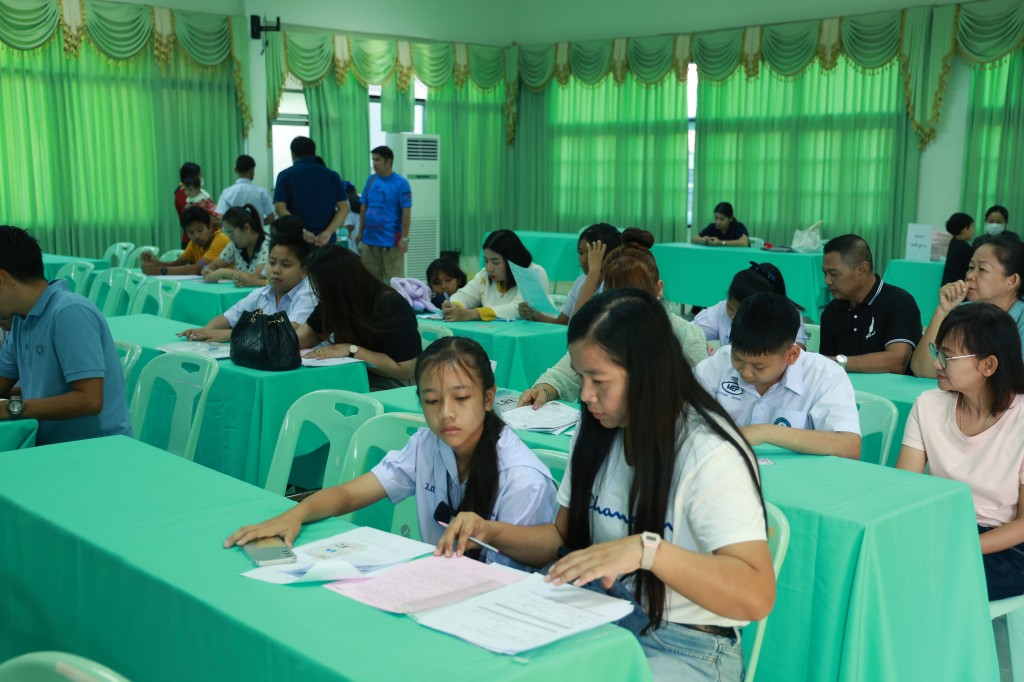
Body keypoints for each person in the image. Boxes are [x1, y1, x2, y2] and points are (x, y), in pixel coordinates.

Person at [436, 288, 775, 680]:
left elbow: (755, 594)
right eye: (581, 377)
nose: (585, 395)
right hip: (597, 615)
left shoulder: (710, 453)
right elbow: (562, 537)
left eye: (598, 380)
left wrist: (649, 551)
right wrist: (489, 531)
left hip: (686, 645)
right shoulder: (598, 429)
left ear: (648, 372)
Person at [225, 336, 558, 569]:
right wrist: (294, 515)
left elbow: (522, 570)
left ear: (488, 398)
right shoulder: (428, 444)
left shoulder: (521, 478)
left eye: (461, 398)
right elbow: (349, 495)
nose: (445, 413)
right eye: (431, 400)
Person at [897, 303, 1024, 601]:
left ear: (988, 365)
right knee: (879, 565)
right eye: (937, 352)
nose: (936, 363)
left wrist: (959, 545)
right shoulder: (928, 405)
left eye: (947, 357)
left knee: (926, 581)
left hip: (1003, 545)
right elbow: (902, 489)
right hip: (941, 527)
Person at [519, 228, 708, 408]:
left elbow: (699, 402)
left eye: (636, 295)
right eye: (616, 296)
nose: (626, 305)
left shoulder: (687, 335)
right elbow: (565, 374)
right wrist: (543, 390)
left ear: (658, 289)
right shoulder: (599, 330)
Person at [0, 226, 131, 445]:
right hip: (49, 444)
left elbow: (90, 400)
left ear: (2, 279)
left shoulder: (69, 312)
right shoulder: (23, 318)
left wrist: (11, 408)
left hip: (97, 448)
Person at [694, 293, 861, 458]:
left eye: (759, 366)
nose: (745, 372)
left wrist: (764, 432)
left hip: (799, 473)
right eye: (737, 359)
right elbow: (685, 425)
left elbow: (849, 446)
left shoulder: (824, 375)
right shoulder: (718, 363)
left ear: (792, 355)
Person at [297, 245, 420, 390]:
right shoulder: (334, 301)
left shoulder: (391, 306)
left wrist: (350, 350)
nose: (318, 294)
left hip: (390, 383)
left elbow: (405, 369)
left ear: (338, 286)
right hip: (351, 375)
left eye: (320, 288)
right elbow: (304, 336)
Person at [911, 233, 1024, 378]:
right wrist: (942, 311)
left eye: (982, 269)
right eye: (971, 267)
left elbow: (1015, 379)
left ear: (1011, 281)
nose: (970, 275)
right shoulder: (963, 311)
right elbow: (922, 370)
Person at [178, 235, 315, 343]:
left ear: (304, 271)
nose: (276, 270)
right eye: (272, 262)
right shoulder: (262, 293)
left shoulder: (308, 295)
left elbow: (289, 331)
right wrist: (203, 331)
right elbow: (227, 318)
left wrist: (230, 335)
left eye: (286, 265)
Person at [819, 234, 922, 374]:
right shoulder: (832, 310)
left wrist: (838, 362)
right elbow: (826, 366)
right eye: (825, 273)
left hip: (890, 388)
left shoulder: (899, 303)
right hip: (845, 387)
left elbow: (897, 362)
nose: (827, 281)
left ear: (862, 270)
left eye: (834, 274)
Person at [520, 223, 622, 325]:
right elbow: (562, 322)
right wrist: (534, 314)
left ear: (608, 254)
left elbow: (576, 322)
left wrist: (594, 272)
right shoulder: (581, 281)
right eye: (581, 252)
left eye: (591, 253)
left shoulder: (614, 284)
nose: (583, 259)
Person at [694, 262, 809, 349]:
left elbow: (796, 354)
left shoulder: (788, 316)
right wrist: (697, 344)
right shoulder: (722, 310)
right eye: (730, 308)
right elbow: (689, 332)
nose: (733, 316)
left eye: (741, 312)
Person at [442, 230, 548, 322]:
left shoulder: (533, 273)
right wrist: (454, 306)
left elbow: (517, 309)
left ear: (512, 260)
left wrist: (473, 314)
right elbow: (465, 294)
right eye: (486, 261)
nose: (489, 268)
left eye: (495, 262)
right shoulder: (485, 274)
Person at [273, 136, 350, 246]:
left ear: (293, 154)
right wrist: (328, 232)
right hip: (326, 241)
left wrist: (302, 231)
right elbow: (344, 208)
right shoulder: (332, 176)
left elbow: (280, 208)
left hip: (296, 241)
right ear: (314, 153)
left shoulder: (285, 176)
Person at [357, 146, 413, 282]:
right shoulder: (370, 180)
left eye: (378, 160)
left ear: (388, 161)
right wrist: (360, 232)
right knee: (370, 282)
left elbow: (406, 213)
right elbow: (364, 207)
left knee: (396, 283)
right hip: (369, 241)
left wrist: (404, 238)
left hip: (391, 243)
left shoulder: (401, 183)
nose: (374, 164)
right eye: (373, 160)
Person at [141, 207, 230, 276]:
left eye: (200, 230)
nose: (196, 236)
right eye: (191, 232)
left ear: (210, 227)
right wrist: (156, 262)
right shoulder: (194, 243)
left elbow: (197, 269)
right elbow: (177, 264)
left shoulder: (221, 239)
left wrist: (159, 271)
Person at [201, 205, 270, 287]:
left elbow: (256, 277)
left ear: (247, 227)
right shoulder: (235, 244)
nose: (230, 237)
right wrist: (207, 270)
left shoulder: (268, 245)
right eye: (228, 233)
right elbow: (215, 265)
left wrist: (223, 272)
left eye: (232, 232)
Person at [216, 154, 275, 224]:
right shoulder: (262, 192)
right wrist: (259, 224)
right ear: (252, 171)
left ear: (235, 170)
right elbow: (271, 217)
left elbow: (221, 218)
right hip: (256, 230)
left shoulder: (226, 193)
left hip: (234, 230)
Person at [941, 213, 976, 286]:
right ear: (965, 229)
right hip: (958, 287)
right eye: (972, 227)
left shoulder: (953, 242)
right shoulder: (965, 249)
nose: (973, 230)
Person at [174, 161, 201, 247]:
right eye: (199, 176)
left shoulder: (193, 192)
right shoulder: (182, 194)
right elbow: (189, 216)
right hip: (191, 240)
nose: (201, 178)